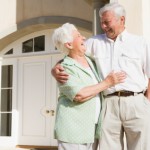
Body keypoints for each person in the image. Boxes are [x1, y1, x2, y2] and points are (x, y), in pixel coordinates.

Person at [51, 2, 150, 150]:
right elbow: (73, 54)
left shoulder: (140, 43)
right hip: (108, 104)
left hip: (136, 102)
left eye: (107, 22)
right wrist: (55, 68)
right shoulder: (94, 42)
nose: (103, 26)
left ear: (121, 19)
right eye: (101, 22)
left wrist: (147, 103)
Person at [52, 23, 126, 150]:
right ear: (69, 45)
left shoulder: (91, 61)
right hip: (73, 129)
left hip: (92, 129)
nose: (84, 38)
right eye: (78, 36)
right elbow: (79, 95)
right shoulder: (65, 68)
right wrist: (107, 83)